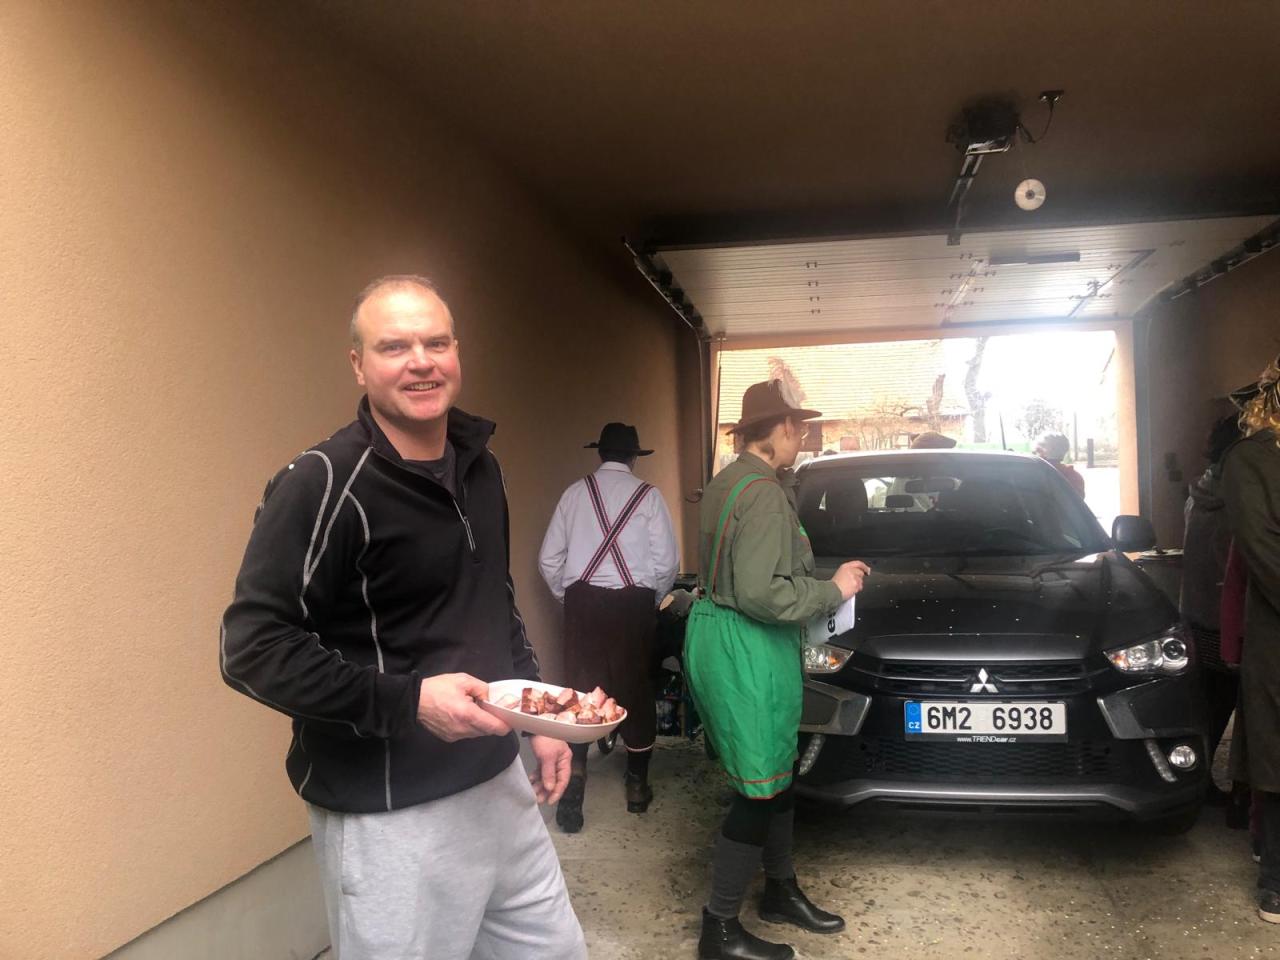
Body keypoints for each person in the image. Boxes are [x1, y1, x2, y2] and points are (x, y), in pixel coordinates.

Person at [220, 275, 586, 960]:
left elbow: (494, 600)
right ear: (358, 364)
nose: (421, 361)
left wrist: (544, 719)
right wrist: (410, 701)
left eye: (436, 342)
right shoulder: (322, 483)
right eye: (394, 347)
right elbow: (252, 649)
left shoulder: (481, 468)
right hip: (390, 815)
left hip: (498, 782)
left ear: (457, 352)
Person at [684, 379, 870, 960]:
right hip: (749, 642)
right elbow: (763, 593)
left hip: (720, 631)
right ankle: (719, 928)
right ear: (784, 427)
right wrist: (833, 590)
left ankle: (780, 890)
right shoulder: (763, 492)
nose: (804, 437)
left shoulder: (727, 481)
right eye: (801, 427)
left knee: (775, 771)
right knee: (759, 787)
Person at [538, 422, 680, 832]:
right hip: (632, 605)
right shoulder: (649, 497)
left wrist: (571, 598)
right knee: (635, 689)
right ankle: (636, 787)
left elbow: (549, 559)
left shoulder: (574, 494)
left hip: (583, 605)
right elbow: (667, 563)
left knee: (580, 690)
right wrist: (649, 601)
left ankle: (574, 785)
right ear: (634, 457)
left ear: (600, 453)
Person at [1221, 353, 1280, 924]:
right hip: (1278, 640)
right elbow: (1264, 558)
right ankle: (1277, 880)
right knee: (1277, 759)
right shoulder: (1252, 462)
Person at [1180, 414, 1244, 802]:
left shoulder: (1199, 492)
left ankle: (1198, 779)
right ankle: (1235, 789)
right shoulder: (1241, 498)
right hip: (1231, 616)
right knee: (1234, 704)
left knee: (1212, 702)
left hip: (1199, 609)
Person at [1034, 431, 1086, 497]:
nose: (1035, 451)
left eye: (1038, 448)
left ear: (1046, 451)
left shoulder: (1034, 473)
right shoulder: (1075, 477)